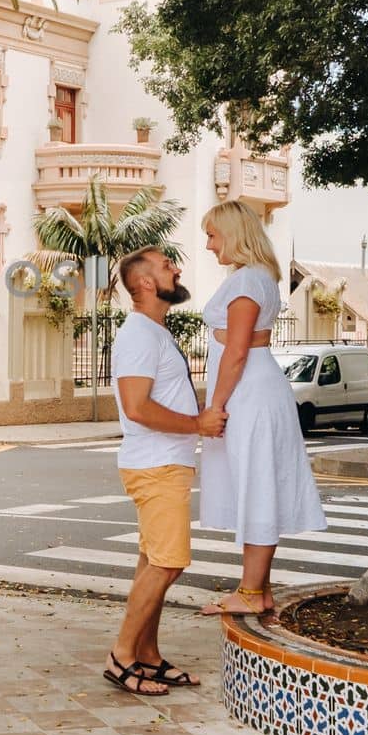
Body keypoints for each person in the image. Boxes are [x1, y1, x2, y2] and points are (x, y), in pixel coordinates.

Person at [105, 247, 226, 696]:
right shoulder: (138, 334)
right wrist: (197, 424)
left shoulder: (154, 332)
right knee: (167, 562)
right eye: (165, 265)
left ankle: (148, 655)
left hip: (163, 463)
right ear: (146, 284)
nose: (177, 267)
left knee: (153, 562)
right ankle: (121, 656)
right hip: (155, 464)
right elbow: (136, 408)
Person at [196, 200, 327, 616]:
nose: (209, 246)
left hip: (248, 392)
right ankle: (258, 590)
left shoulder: (248, 281)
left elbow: (235, 351)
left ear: (233, 234)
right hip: (254, 388)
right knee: (258, 482)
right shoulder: (257, 277)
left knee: (256, 483)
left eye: (213, 235)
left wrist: (214, 406)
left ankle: (252, 593)